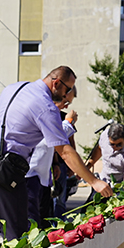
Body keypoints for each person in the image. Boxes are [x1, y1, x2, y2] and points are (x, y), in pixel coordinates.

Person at [0, 67, 112, 248]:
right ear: (56, 83)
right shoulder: (45, 106)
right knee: (18, 231)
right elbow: (65, 151)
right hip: (6, 166)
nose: (65, 98)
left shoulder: (14, 88)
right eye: (66, 92)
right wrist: (94, 181)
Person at [26, 88, 75, 227]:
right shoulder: (43, 113)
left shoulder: (54, 114)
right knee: (33, 219)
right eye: (65, 102)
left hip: (44, 175)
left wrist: (55, 164)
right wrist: (68, 122)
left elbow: (53, 147)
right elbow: (51, 139)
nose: (66, 106)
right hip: (31, 174)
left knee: (44, 215)